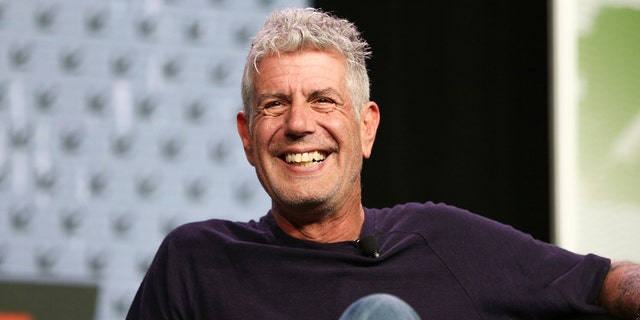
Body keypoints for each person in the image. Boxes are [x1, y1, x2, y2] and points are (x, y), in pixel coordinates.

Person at [126, 7, 640, 320]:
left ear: (366, 127)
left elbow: (602, 284)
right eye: (274, 104)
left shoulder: (442, 240)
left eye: (323, 100)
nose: (299, 124)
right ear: (247, 137)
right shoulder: (197, 262)